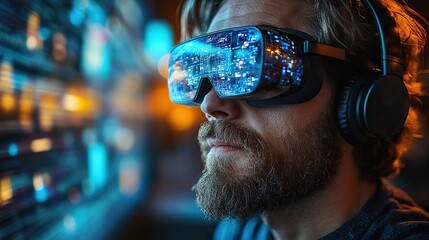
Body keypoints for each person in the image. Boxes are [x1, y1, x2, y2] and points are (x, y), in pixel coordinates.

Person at [168, 0, 429, 239]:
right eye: (203, 69)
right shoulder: (239, 229)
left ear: (360, 102)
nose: (209, 105)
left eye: (261, 66)